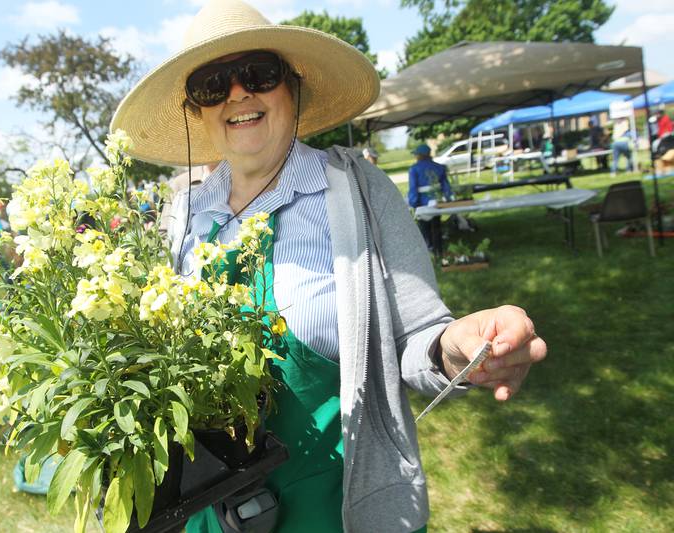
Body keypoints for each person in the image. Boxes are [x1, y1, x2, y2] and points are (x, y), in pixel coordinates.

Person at [111, 1, 547, 531]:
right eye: (212, 84)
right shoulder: (182, 214)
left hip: (333, 502)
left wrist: (457, 349)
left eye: (259, 74)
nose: (237, 94)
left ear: (292, 87)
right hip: (209, 505)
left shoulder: (355, 193)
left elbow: (417, 337)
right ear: (196, 111)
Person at [407, 143, 454, 251]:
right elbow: (446, 186)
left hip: (422, 202)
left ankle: (429, 249)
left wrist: (413, 203)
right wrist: (449, 199)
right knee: (436, 227)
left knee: (424, 228)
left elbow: (413, 188)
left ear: (420, 155)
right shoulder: (439, 167)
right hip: (437, 201)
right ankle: (439, 249)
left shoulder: (414, 169)